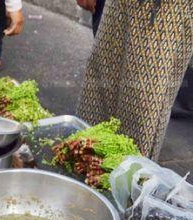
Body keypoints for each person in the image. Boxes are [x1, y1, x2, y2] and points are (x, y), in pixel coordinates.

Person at [77, 0, 193, 160]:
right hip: (118, 8)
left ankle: (127, 175)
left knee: (142, 109)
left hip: (166, 15)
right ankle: (84, 163)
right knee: (99, 91)